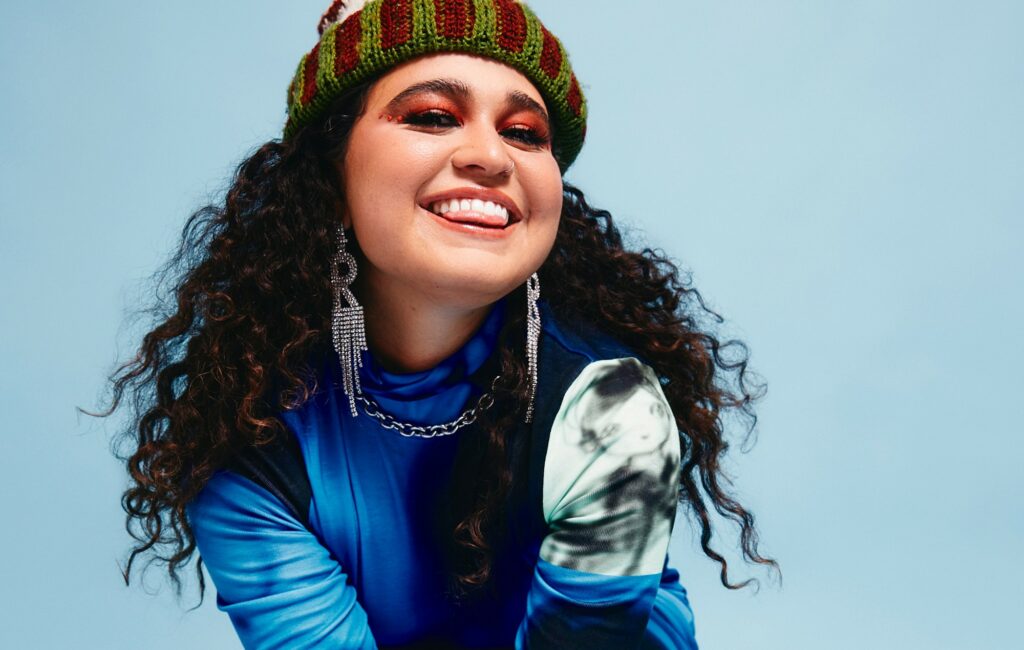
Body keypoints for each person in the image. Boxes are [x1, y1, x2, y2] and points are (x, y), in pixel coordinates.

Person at [103, 1, 777, 647]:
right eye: (431, 116)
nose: (492, 156)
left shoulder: (610, 407)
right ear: (331, 180)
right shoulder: (247, 433)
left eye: (524, 133)